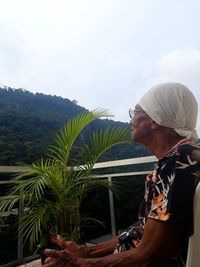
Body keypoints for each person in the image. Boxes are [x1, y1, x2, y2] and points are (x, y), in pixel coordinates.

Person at [43, 82, 200, 267]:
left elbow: (150, 255)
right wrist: (86, 252)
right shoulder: (179, 158)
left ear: (155, 119)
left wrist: (80, 263)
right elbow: (142, 231)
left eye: (136, 112)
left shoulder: (179, 161)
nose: (131, 119)